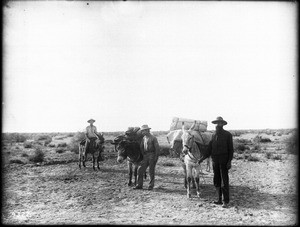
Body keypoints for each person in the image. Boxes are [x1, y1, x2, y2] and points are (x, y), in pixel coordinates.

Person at [198, 116, 234, 208]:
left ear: (223, 124)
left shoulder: (228, 135)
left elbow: (231, 150)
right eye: (217, 123)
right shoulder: (213, 135)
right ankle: (218, 199)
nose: (218, 125)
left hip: (224, 161)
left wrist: (229, 161)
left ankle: (225, 201)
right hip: (215, 161)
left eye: (220, 123)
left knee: (224, 181)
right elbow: (209, 149)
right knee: (216, 180)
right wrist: (202, 158)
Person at [133, 125, 160, 190]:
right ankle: (139, 185)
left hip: (152, 155)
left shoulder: (153, 138)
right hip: (145, 156)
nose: (143, 132)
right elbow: (141, 147)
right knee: (140, 170)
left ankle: (150, 186)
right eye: (142, 131)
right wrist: (143, 154)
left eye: (144, 131)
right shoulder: (144, 138)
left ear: (148, 130)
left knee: (151, 171)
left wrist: (156, 158)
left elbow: (157, 149)